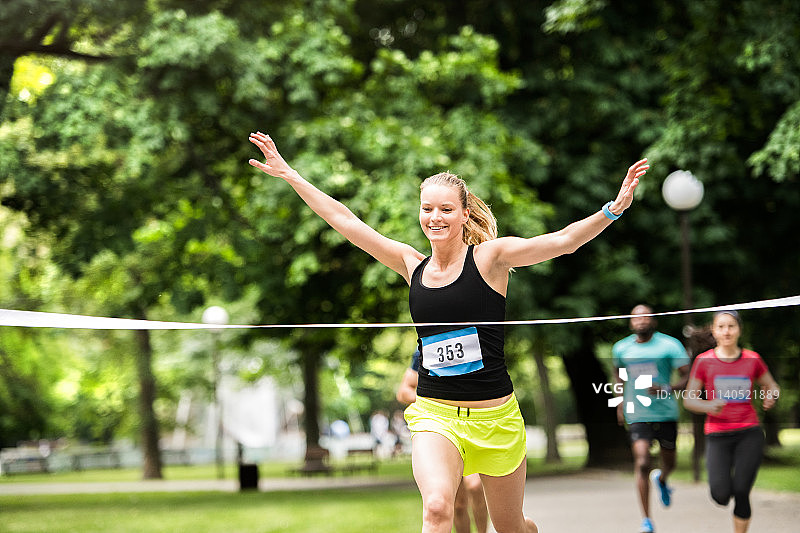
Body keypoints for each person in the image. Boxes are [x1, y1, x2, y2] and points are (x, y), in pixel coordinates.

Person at [248, 130, 648, 533]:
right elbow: (345, 220)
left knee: (509, 526)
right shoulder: (410, 264)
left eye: (445, 209)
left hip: (497, 419)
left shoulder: (491, 259)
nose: (434, 217)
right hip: (435, 415)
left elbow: (562, 242)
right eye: (427, 209)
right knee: (438, 509)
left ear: (463, 214)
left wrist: (613, 209)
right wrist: (291, 175)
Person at [683, 311, 780, 533]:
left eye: (731, 326)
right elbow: (689, 399)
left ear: (739, 330)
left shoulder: (752, 359)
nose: (726, 331)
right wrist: (707, 406)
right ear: (714, 331)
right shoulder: (704, 361)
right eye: (721, 327)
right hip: (717, 434)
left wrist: (771, 395)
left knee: (742, 490)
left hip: (749, 432)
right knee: (720, 494)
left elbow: (771, 386)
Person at [612, 305, 691, 533]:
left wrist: (666, 387)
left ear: (654, 321)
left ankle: (663, 479)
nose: (641, 320)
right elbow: (618, 373)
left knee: (670, 462)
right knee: (643, 461)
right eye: (636, 317)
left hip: (665, 412)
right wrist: (619, 402)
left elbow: (688, 375)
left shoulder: (670, 345)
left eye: (646, 316)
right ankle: (647, 519)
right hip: (637, 413)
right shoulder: (621, 348)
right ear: (630, 322)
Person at [397, 350, 489, 533]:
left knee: (475, 485)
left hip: (473, 424)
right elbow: (403, 392)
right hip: (442, 429)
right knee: (459, 503)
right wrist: (437, 401)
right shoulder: (428, 349)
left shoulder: (478, 340)